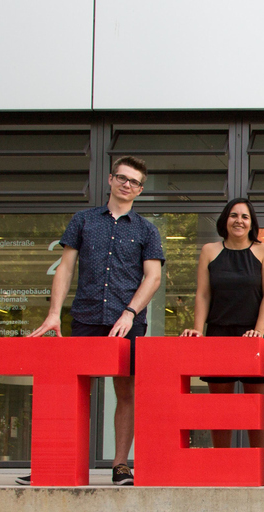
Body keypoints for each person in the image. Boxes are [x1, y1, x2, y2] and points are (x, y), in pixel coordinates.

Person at [22, 156, 164, 486]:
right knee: (69, 391)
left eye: (134, 182)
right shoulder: (83, 220)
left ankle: (120, 465)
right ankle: (54, 464)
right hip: (86, 314)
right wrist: (54, 313)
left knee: (125, 390)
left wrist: (130, 312)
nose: (127, 185)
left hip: (127, 322)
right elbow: (65, 268)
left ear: (140, 190)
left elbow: (153, 278)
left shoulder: (147, 229)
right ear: (111, 180)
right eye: (122, 178)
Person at [181, 198, 264, 485]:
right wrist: (198, 330)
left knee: (256, 406)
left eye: (245, 217)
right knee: (219, 407)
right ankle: (221, 468)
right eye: (234, 215)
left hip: (254, 335)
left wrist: (258, 332)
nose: (239, 221)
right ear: (225, 220)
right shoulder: (210, 251)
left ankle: (257, 470)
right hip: (219, 334)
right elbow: (203, 294)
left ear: (252, 223)